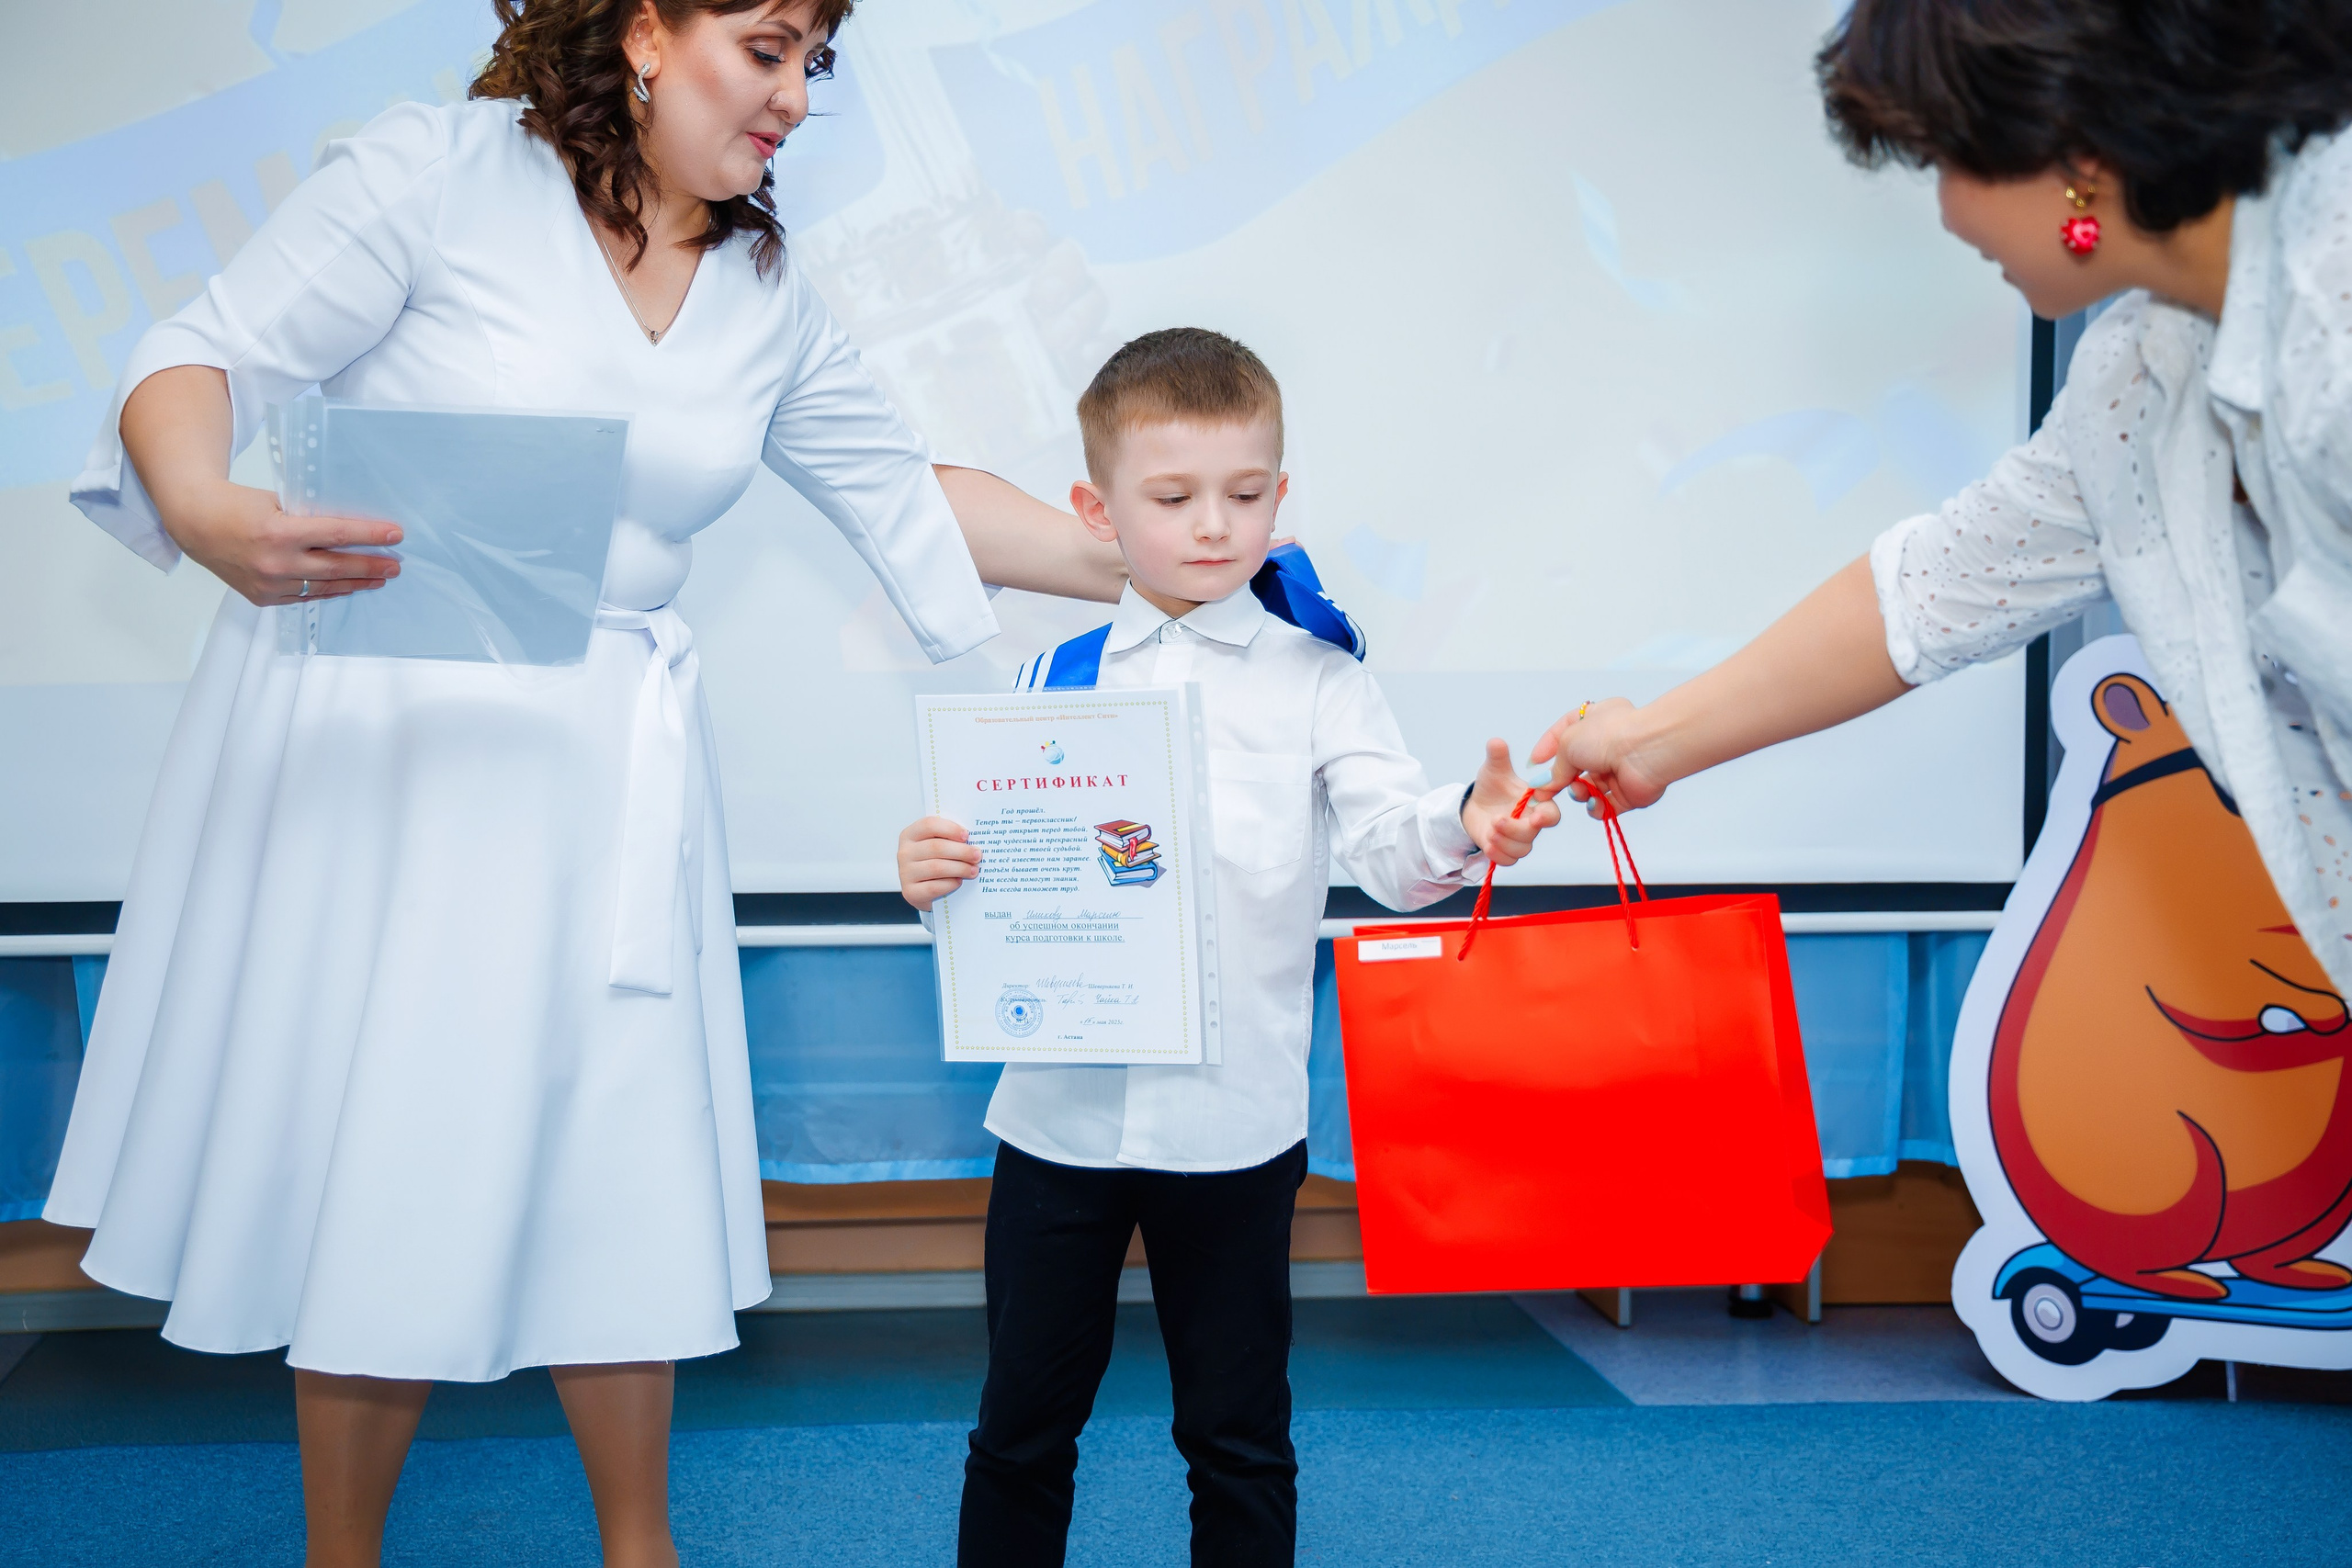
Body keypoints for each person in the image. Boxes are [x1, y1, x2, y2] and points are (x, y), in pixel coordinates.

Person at [42, 2, 1120, 1564]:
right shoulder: (443, 172)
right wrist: (205, 506)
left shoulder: (764, 285)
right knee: (394, 1149)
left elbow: (908, 498)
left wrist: (1142, 561)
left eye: (818, 60)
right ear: (642, 35)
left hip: (611, 769)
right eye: (767, 48)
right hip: (399, 746)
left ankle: (642, 1546)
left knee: (625, 1152)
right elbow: (195, 349)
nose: (798, 96)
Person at [895, 328, 1562, 1568]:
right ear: (1097, 509)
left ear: (1279, 494)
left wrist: (1469, 821)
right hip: (1056, 1124)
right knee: (1022, 1430)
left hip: (1236, 1126)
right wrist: (932, 876)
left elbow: (1389, 851)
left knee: (1239, 1433)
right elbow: (1003, 890)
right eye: (1174, 496)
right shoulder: (1050, 674)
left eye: (1246, 494)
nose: (1215, 525)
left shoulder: (1320, 677)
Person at [1536, 0, 2352, 998]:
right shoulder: (2136, 374)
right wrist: (1647, 742)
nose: (1945, 215)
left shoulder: (2331, 304)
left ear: (2074, 152)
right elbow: (1922, 595)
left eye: (1943, 164)